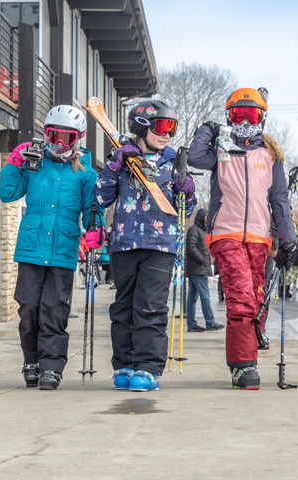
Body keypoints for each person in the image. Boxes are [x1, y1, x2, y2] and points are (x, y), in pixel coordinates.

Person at [188, 87, 297, 390]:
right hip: (226, 233)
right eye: (239, 115)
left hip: (260, 239)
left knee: (257, 299)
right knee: (240, 299)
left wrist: (287, 239)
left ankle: (249, 352)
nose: (245, 122)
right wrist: (207, 130)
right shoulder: (222, 148)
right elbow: (196, 158)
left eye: (252, 115)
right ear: (229, 117)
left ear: (263, 118)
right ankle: (242, 366)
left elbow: (279, 199)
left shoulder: (271, 155)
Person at [0, 105, 103, 391]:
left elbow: (92, 208)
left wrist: (95, 229)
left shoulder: (85, 173)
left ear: (77, 140)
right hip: (31, 248)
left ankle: (52, 367)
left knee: (54, 311)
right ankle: (31, 361)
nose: (58, 143)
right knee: (29, 308)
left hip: (63, 250)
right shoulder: (33, 162)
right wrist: (14, 162)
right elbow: (7, 193)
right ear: (45, 134)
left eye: (66, 138)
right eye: (53, 135)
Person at [96, 99, 196, 392]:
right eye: (161, 127)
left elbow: (185, 211)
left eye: (171, 128)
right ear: (141, 127)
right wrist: (114, 166)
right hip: (125, 243)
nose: (167, 134)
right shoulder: (123, 158)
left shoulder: (174, 161)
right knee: (123, 307)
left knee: (150, 308)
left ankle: (148, 367)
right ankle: (124, 364)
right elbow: (101, 197)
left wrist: (186, 191)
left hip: (160, 245)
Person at [185, 208, 222, 332]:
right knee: (205, 296)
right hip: (197, 269)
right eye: (207, 216)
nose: (209, 218)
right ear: (202, 217)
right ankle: (210, 323)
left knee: (192, 297)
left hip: (197, 269)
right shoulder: (194, 230)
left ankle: (191, 324)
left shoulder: (201, 231)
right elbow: (191, 247)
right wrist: (203, 260)